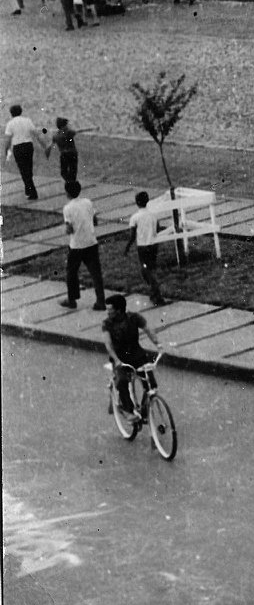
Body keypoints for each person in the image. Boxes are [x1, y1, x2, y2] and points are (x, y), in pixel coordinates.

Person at [103, 293, 162, 415]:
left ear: (119, 310)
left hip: (137, 355)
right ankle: (128, 410)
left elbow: (147, 329)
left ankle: (146, 409)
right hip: (120, 359)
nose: (107, 312)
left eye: (110, 310)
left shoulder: (134, 318)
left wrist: (158, 344)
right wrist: (116, 360)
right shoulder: (107, 324)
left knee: (150, 383)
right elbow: (108, 345)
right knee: (122, 382)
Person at [60, 179, 107, 310]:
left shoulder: (67, 208)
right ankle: (101, 301)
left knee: (71, 272)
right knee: (96, 273)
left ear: (67, 193)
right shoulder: (88, 202)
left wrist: (66, 230)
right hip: (91, 242)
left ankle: (72, 299)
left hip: (76, 245)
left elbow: (69, 229)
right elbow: (95, 220)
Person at [122, 191, 169, 304]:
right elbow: (157, 229)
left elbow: (133, 235)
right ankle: (154, 292)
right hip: (153, 245)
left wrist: (127, 247)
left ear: (137, 202)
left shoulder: (135, 217)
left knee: (146, 270)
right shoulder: (153, 215)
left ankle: (156, 293)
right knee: (150, 268)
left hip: (142, 246)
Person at [8, 104, 44, 200]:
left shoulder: (10, 123)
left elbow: (8, 138)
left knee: (23, 169)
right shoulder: (27, 120)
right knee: (28, 168)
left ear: (11, 113)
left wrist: (5, 149)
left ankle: (32, 192)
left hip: (18, 147)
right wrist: (43, 144)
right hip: (28, 145)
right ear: (21, 111)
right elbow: (36, 134)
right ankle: (28, 189)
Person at [47, 117, 79, 186]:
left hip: (64, 154)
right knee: (73, 170)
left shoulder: (56, 135)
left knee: (64, 172)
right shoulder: (69, 132)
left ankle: (69, 182)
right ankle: (72, 183)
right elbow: (76, 131)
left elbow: (51, 144)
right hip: (72, 153)